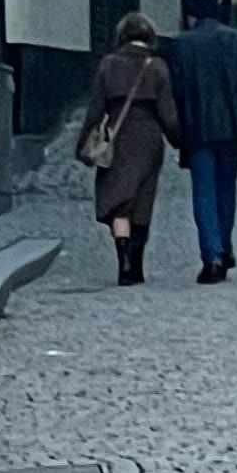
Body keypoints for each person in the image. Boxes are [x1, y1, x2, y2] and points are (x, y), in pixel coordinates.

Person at [166, 0, 237, 285]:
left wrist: (175, 129)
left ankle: (212, 254)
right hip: (233, 128)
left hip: (197, 129)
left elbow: (176, 92)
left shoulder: (181, 45)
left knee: (204, 193)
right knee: (226, 189)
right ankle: (223, 247)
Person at [79, 14, 179, 286]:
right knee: (142, 201)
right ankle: (136, 264)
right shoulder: (157, 68)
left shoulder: (108, 65)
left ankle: (122, 261)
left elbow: (95, 110)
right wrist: (180, 141)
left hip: (117, 137)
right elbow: (168, 115)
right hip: (148, 140)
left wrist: (84, 144)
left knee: (120, 202)